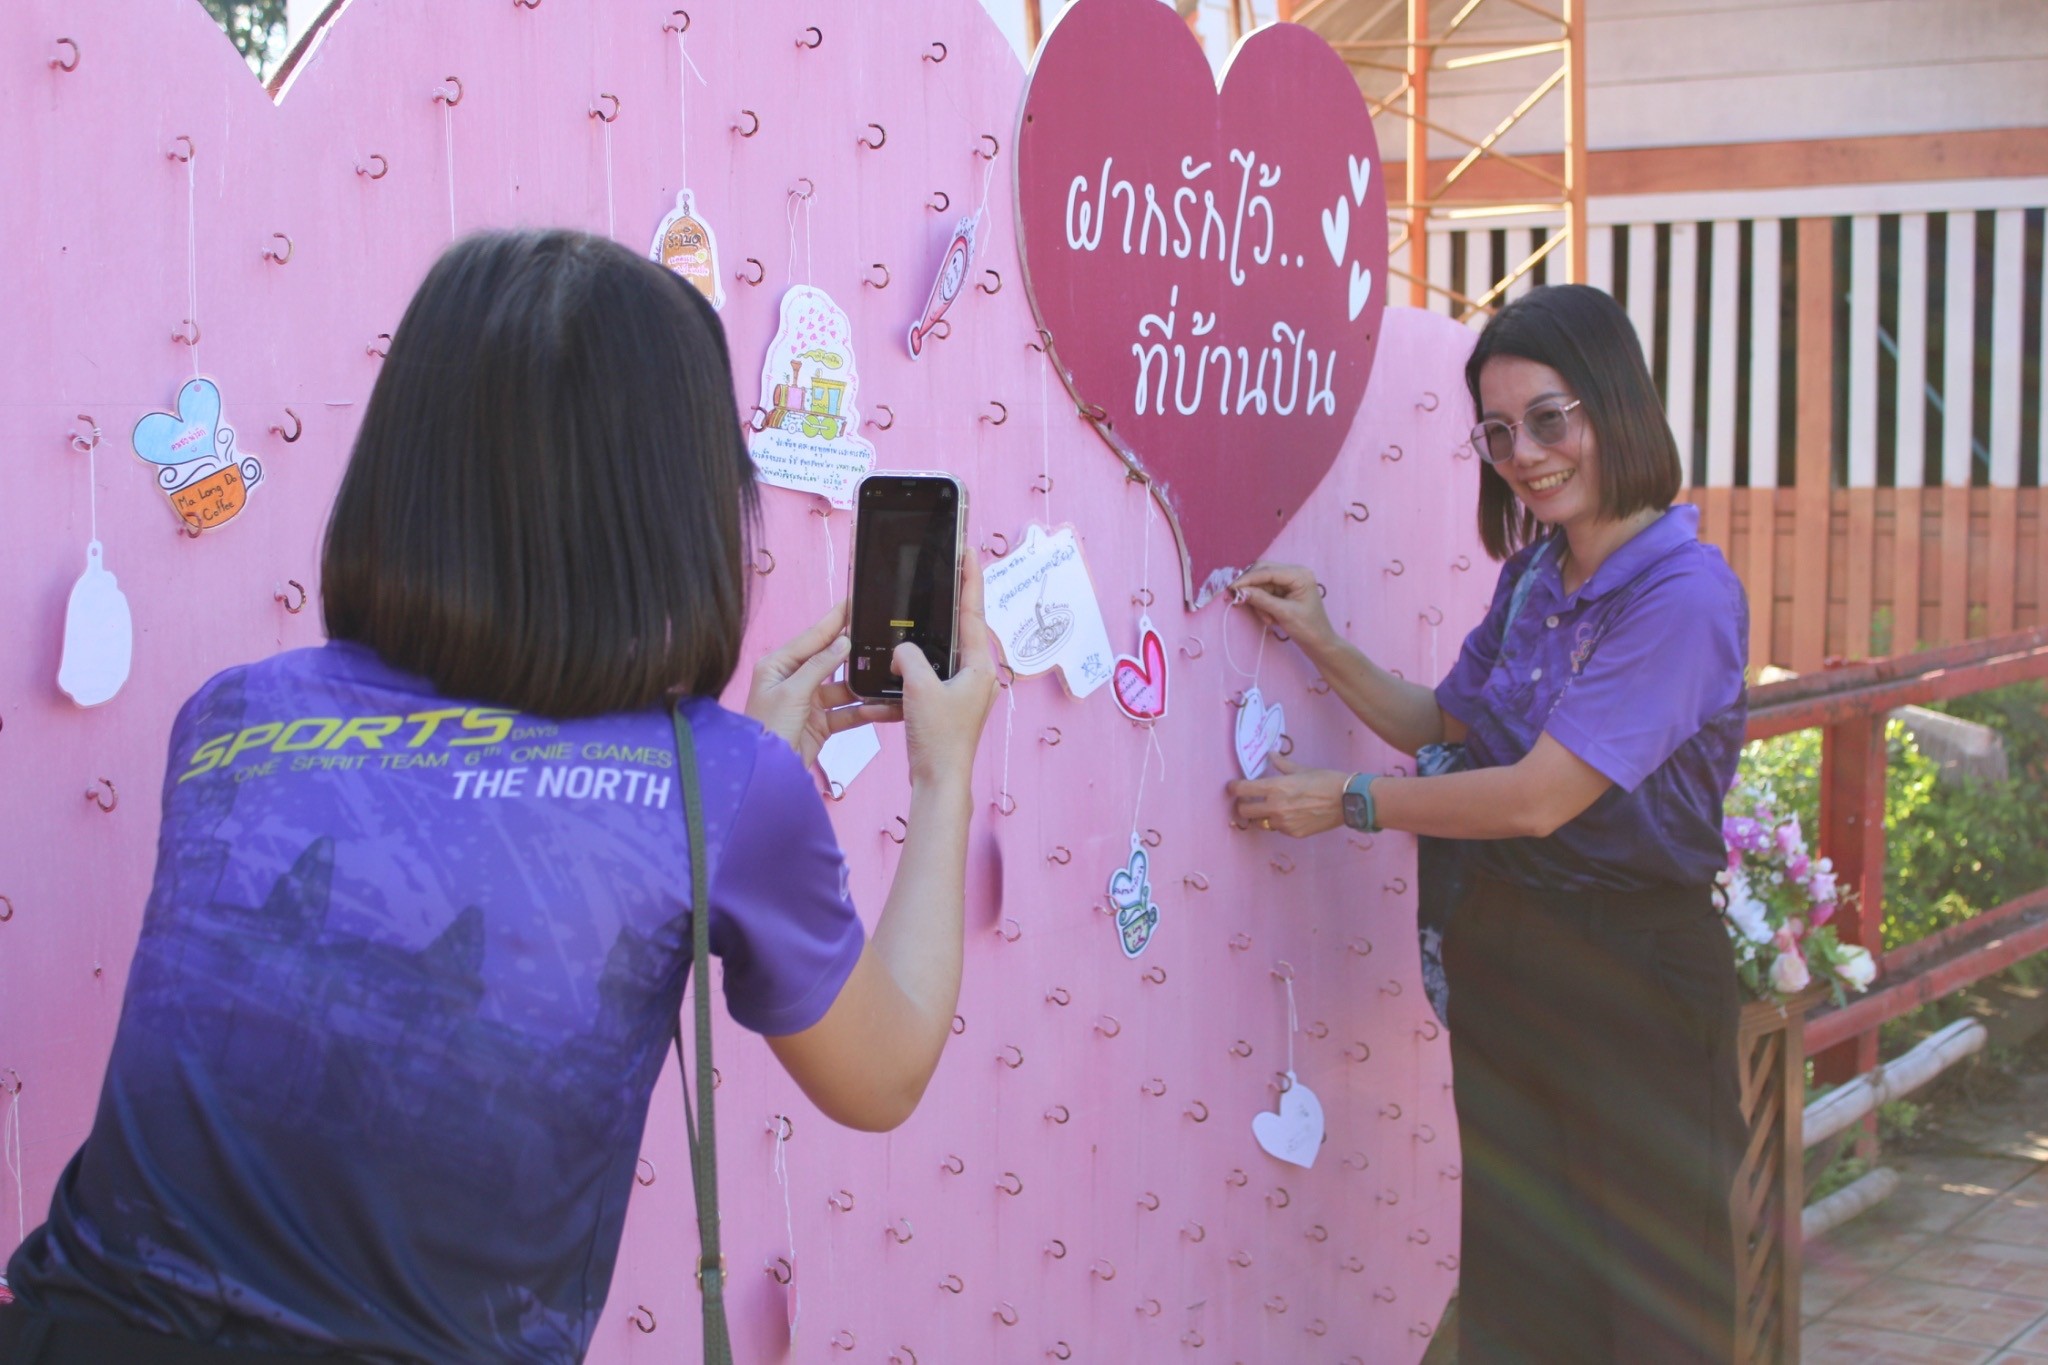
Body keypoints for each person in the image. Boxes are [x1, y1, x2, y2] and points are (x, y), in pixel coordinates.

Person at [1, 230, 996, 1364]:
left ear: (402, 466)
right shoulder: (726, 786)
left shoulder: (232, 717)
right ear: (682, 512)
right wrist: (942, 772)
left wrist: (727, 783)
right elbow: (882, 1074)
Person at [1228, 284, 1748, 1364]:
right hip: (1511, 958)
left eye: (1549, 419)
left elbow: (1537, 796)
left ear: (1616, 403)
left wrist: (1350, 800)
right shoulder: (1536, 576)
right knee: (1521, 1301)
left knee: (1651, 1312)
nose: (1524, 455)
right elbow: (1445, 721)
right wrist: (1320, 638)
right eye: (1499, 432)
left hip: (1636, 980)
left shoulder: (1682, 596)